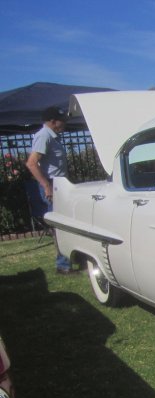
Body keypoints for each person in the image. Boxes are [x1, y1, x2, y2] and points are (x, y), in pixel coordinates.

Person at [26, 105, 74, 274]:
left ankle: (67, 259)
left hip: (60, 184)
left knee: (65, 224)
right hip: (53, 185)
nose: (65, 124)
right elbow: (31, 163)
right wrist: (46, 185)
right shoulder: (43, 136)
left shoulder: (53, 136)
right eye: (62, 121)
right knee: (60, 226)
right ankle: (63, 265)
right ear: (53, 121)